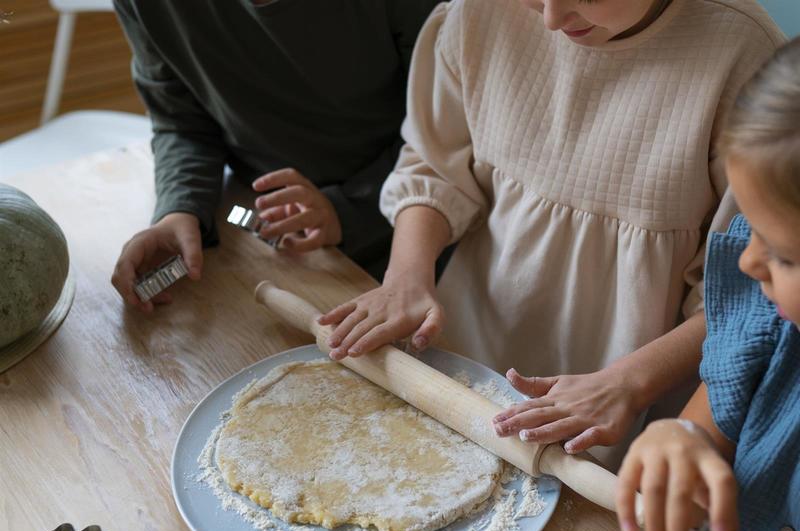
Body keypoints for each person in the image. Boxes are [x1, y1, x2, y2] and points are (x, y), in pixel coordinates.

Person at [319, 0, 784, 466]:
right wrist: (407, 275)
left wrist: (629, 383)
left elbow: (747, 295)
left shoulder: (748, 61)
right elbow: (434, 167)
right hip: (464, 360)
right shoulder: (478, 12)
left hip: (620, 406)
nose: (551, 20)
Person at [617, 37, 800, 531]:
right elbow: (704, 430)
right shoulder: (773, 316)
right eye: (750, 228)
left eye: (783, 254)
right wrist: (678, 440)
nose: (748, 261)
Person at [110, 0, 439, 311]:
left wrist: (347, 208)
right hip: (258, 229)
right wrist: (180, 209)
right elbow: (181, 122)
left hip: (417, 233)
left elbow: (449, 139)